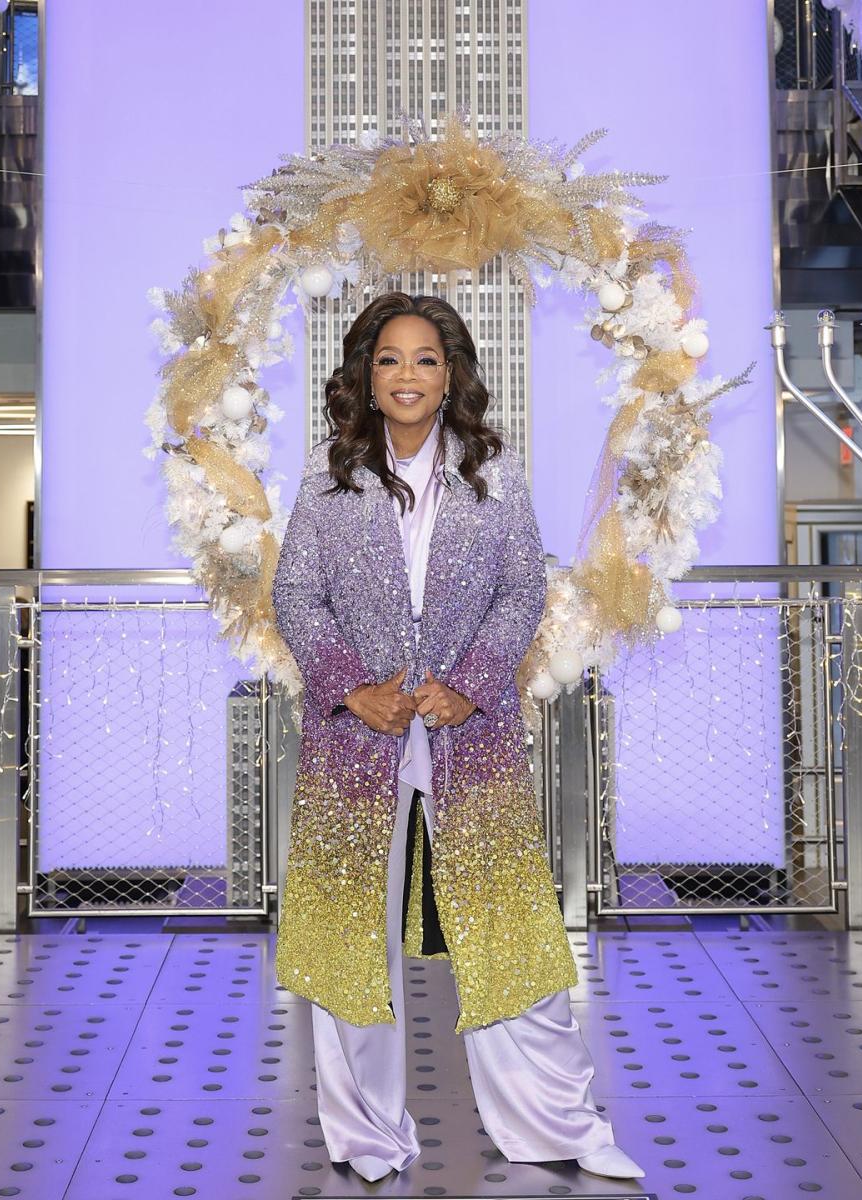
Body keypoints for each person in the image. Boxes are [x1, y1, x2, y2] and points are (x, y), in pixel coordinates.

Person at [271, 292, 645, 1184]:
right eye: (390, 359)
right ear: (366, 372)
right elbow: (295, 595)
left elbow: (523, 590)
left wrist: (470, 689)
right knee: (346, 946)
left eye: (426, 359)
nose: (406, 376)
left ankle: (560, 1127)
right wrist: (350, 690)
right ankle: (365, 1138)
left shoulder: (495, 473)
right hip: (352, 745)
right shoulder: (327, 479)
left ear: (452, 376)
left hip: (470, 743)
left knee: (510, 933)